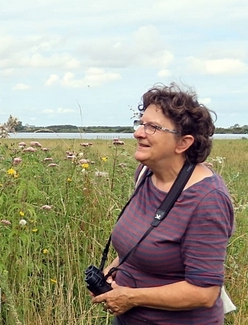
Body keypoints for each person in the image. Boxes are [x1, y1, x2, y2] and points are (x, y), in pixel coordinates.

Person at [91, 83, 235, 324]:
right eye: (141, 123)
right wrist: (111, 273)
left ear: (183, 143)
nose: (138, 133)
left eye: (153, 127)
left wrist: (132, 297)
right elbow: (139, 245)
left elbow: (205, 292)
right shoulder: (145, 174)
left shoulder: (207, 200)